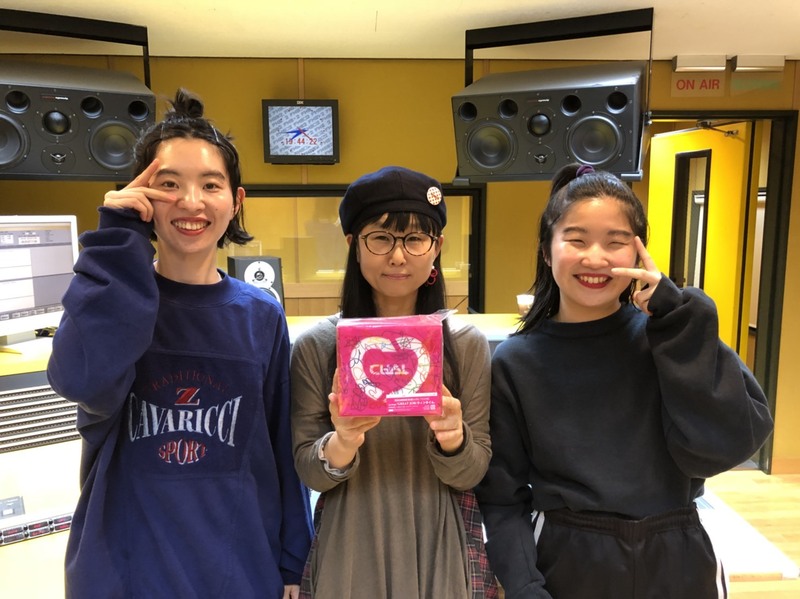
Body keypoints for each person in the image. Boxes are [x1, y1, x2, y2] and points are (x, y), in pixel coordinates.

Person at [47, 89, 313, 599]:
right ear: (142, 197)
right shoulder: (113, 296)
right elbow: (79, 380)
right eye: (168, 184)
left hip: (238, 569)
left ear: (236, 201)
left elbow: (282, 444)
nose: (191, 202)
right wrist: (116, 241)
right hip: (125, 570)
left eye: (210, 184)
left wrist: (292, 561)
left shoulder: (261, 314)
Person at [475, 163, 774, 599]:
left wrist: (680, 322)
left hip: (679, 556)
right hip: (567, 559)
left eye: (615, 242)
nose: (595, 258)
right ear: (546, 251)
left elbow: (725, 446)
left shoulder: (671, 335)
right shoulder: (516, 361)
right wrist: (524, 587)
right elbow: (503, 497)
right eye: (576, 240)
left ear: (637, 253)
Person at [290, 166, 497, 599]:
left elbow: (474, 469)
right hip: (351, 539)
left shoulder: (465, 345)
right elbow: (309, 470)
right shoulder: (318, 345)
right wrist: (343, 441)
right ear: (353, 245)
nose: (398, 257)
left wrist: (454, 439)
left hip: (441, 538)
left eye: (415, 239)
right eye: (381, 238)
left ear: (437, 247)